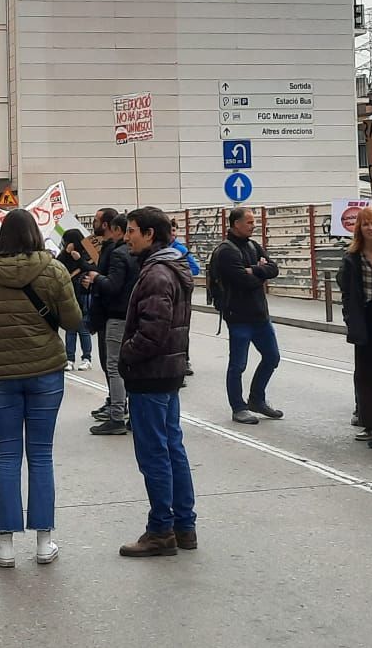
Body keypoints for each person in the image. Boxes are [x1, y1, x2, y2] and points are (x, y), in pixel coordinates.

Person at [0, 208, 81, 567]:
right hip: (46, 372)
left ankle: (5, 545)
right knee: (41, 455)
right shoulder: (55, 270)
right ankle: (45, 542)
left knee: (8, 457)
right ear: (35, 234)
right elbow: (74, 320)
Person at [116, 207, 198, 557]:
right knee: (172, 449)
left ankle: (161, 529)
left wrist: (126, 356)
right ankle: (184, 526)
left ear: (150, 234)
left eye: (133, 230)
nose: (127, 235)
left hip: (151, 374)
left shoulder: (156, 274)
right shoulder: (170, 267)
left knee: (155, 455)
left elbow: (153, 331)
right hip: (169, 371)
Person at [211, 208, 284, 425]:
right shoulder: (226, 251)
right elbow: (243, 281)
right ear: (235, 224)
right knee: (238, 364)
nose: (253, 225)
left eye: (254, 221)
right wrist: (258, 273)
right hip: (238, 316)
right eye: (249, 222)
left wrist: (256, 271)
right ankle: (238, 407)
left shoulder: (253, 245)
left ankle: (257, 399)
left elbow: (273, 268)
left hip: (260, 315)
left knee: (272, 357)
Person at [83, 208, 140, 436]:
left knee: (115, 367)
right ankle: (133, 415)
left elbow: (113, 286)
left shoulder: (119, 253)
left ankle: (117, 414)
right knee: (131, 368)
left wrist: (97, 279)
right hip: (134, 314)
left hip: (117, 316)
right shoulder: (142, 255)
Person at [338, 208, 372, 441]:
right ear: (359, 229)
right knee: (366, 374)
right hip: (364, 317)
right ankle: (370, 423)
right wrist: (351, 319)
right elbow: (347, 292)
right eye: (366, 224)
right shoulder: (352, 258)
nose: (371, 228)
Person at [58, 229, 95, 371]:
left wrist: (78, 259)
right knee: (70, 328)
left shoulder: (88, 251)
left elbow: (92, 268)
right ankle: (69, 359)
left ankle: (87, 358)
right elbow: (58, 266)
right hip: (69, 294)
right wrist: (66, 253)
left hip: (84, 294)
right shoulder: (65, 255)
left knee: (83, 328)